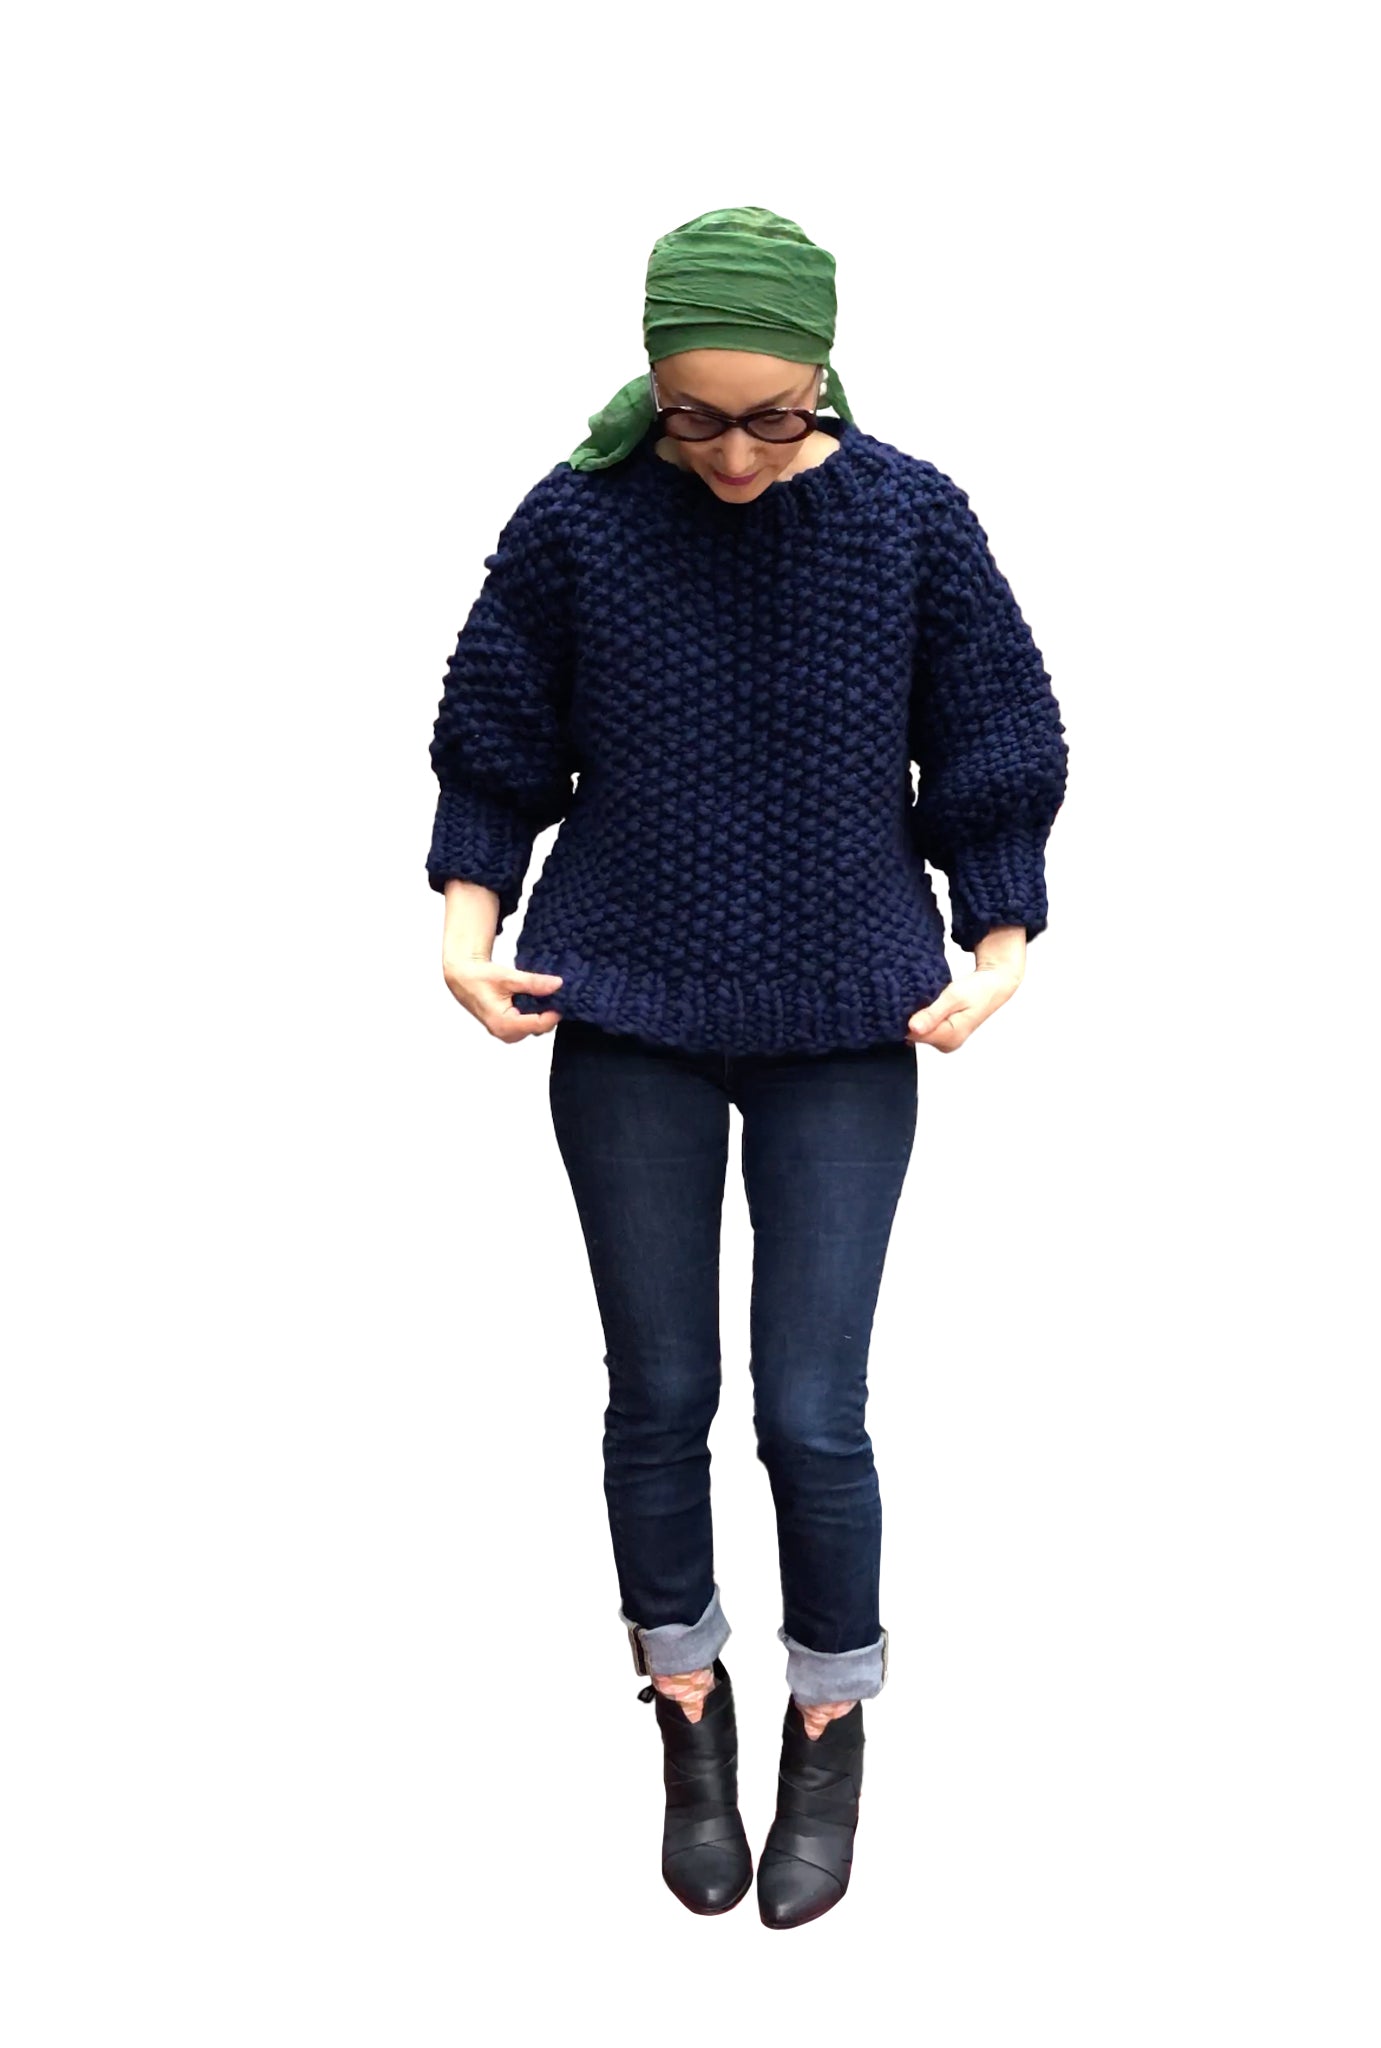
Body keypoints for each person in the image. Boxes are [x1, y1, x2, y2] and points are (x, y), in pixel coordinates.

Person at [424, 205, 1069, 1928]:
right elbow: (496, 736)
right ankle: (686, 1701)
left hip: (846, 1017)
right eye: (695, 417)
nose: (730, 454)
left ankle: (831, 1716)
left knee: (811, 1410)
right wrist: (464, 924)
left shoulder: (909, 521)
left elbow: (994, 734)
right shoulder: (579, 521)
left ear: (825, 373)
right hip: (623, 1006)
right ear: (649, 383)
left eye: (771, 417)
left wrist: (1003, 935)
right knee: (659, 1393)